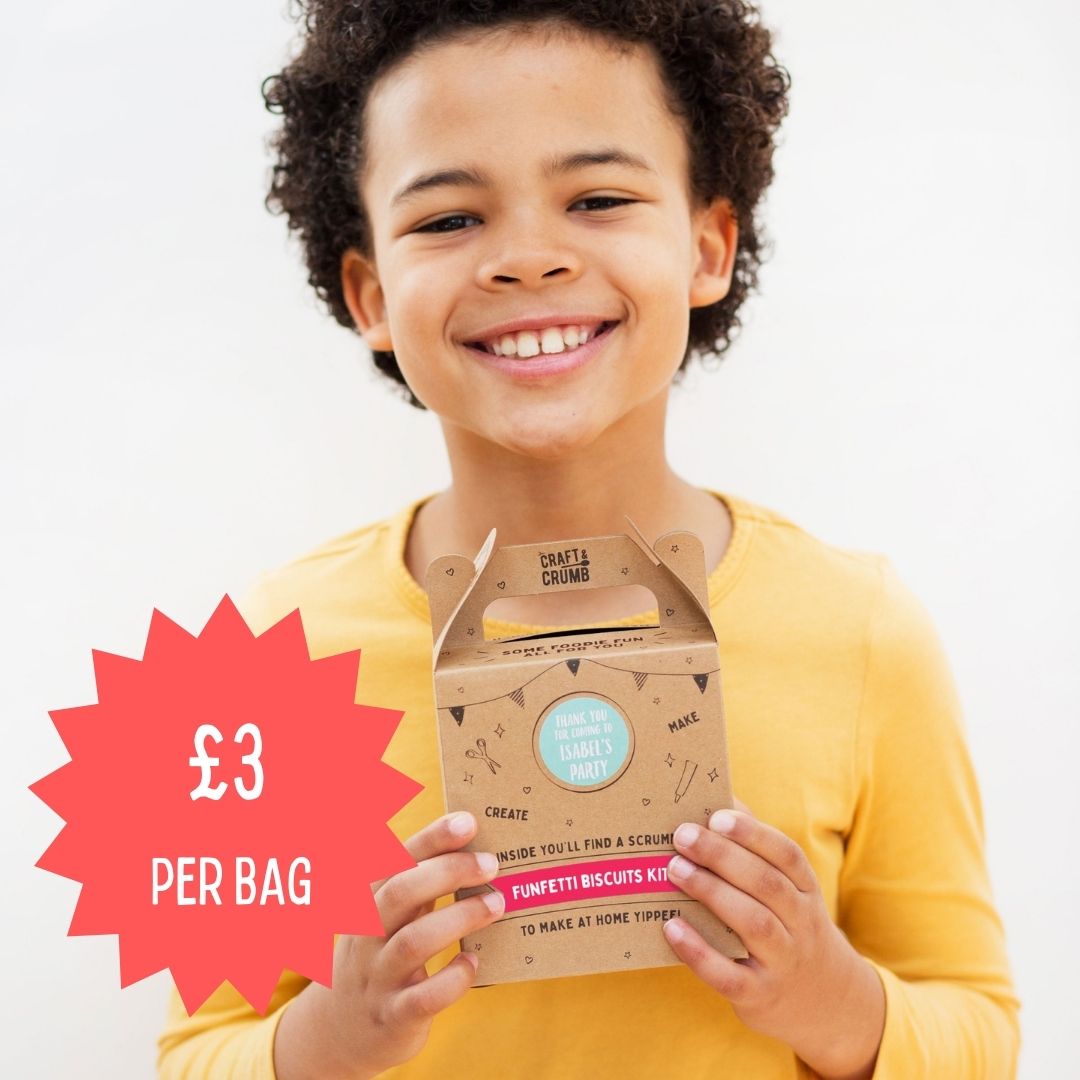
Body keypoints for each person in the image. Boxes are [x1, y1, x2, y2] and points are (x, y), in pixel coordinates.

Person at [156, 1, 1019, 1076]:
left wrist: (830, 1000)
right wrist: (334, 1033)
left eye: (599, 198)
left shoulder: (860, 632)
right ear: (371, 293)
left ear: (707, 249)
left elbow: (981, 1029)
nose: (527, 259)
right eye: (447, 218)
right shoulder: (265, 656)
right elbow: (196, 1050)